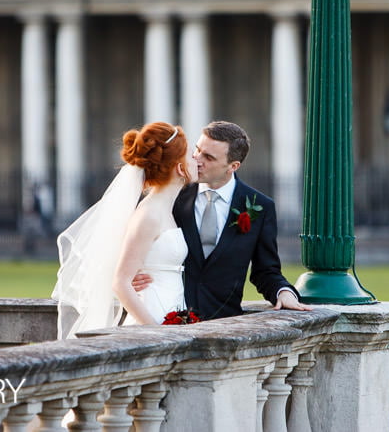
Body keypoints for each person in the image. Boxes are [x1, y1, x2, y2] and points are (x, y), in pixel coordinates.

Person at [134, 121, 313, 319]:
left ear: (233, 166)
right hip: (168, 316)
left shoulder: (260, 206)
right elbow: (137, 243)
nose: (196, 160)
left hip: (224, 323)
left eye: (208, 157)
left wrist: (284, 292)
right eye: (197, 150)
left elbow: (266, 271)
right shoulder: (173, 195)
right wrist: (133, 275)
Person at [52, 122, 196, 338]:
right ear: (180, 167)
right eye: (191, 155)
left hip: (171, 313)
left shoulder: (164, 210)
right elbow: (121, 282)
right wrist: (157, 333)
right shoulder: (149, 215)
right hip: (152, 322)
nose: (197, 160)